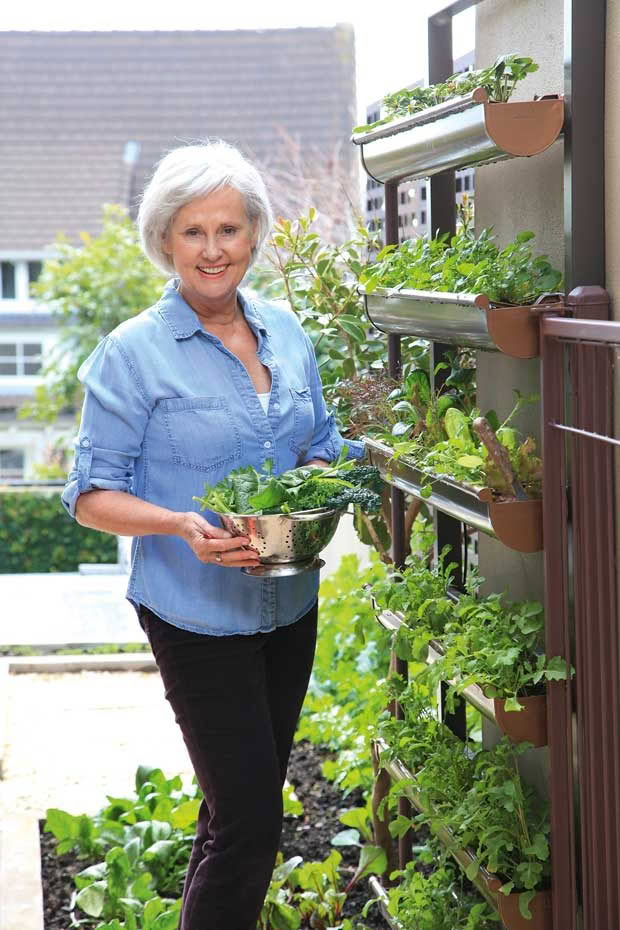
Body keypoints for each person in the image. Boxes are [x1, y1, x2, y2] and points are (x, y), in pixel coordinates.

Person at [61, 139, 365, 930]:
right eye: (193, 231)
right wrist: (179, 524)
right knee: (253, 824)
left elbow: (320, 444)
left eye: (228, 229)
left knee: (236, 809)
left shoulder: (288, 334)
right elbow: (90, 495)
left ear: (255, 235)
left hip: (288, 603)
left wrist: (350, 472)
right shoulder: (133, 354)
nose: (213, 249)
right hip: (195, 614)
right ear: (165, 240)